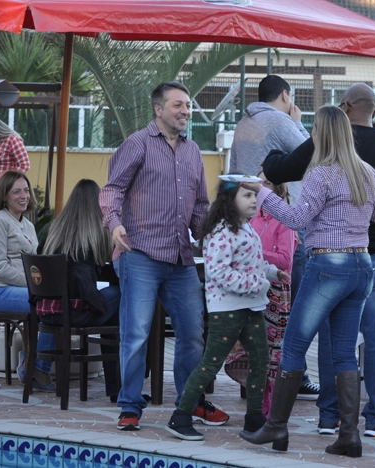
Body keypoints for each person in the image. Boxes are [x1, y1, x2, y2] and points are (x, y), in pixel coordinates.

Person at [262, 83, 375, 438]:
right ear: (374, 109)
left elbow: (288, 188)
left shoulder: (322, 163)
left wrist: (262, 182)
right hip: (372, 258)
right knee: (373, 338)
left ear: (344, 109)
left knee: (312, 340)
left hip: (329, 261)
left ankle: (321, 417)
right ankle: (374, 417)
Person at [239, 105, 375, 458]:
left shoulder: (321, 174)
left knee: (293, 346)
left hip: (328, 265)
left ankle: (276, 427)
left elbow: (296, 217)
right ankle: (349, 436)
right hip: (361, 266)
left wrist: (261, 193)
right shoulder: (367, 172)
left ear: (320, 133)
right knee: (344, 353)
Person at [99, 81, 227, 431]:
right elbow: (113, 189)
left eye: (188, 105)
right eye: (178, 105)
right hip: (139, 253)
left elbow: (201, 205)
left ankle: (189, 401)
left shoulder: (193, 151)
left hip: (180, 258)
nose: (186, 111)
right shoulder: (137, 144)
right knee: (136, 333)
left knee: (193, 332)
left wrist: (214, 234)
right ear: (158, 110)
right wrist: (114, 224)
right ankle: (129, 406)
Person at [166, 180, 289, 441]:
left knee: (260, 360)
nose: (255, 200)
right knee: (210, 364)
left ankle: (255, 416)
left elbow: (250, 262)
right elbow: (218, 272)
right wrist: (260, 283)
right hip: (228, 310)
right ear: (229, 199)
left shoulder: (244, 228)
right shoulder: (222, 233)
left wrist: (270, 272)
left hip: (251, 307)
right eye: (247, 195)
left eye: (255, 195)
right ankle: (180, 416)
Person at [229, 74, 318, 398]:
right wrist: (298, 121)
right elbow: (313, 153)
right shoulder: (280, 121)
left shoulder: (242, 124)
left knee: (257, 306)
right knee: (291, 305)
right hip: (284, 218)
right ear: (285, 95)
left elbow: (234, 174)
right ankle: (295, 375)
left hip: (250, 223)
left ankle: (252, 374)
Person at [224, 171, 298, 417]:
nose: (257, 188)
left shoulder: (284, 220)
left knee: (270, 353)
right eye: (255, 182)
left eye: (264, 182)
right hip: (250, 289)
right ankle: (257, 403)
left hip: (275, 291)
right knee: (250, 349)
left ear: (276, 188)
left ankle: (268, 407)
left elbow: (286, 261)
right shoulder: (248, 218)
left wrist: (253, 252)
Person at [40, 179, 121, 400]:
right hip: (77, 314)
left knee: (112, 305)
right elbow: (114, 271)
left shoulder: (56, 229)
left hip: (48, 314)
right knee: (119, 296)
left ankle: (117, 387)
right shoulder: (95, 235)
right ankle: (117, 388)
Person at [0, 171, 54, 391]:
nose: (24, 196)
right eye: (17, 191)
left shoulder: (28, 226)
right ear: (4, 196)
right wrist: (35, 284)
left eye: (26, 190)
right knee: (50, 305)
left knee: (56, 304)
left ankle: (34, 365)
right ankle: (35, 368)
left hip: (20, 290)